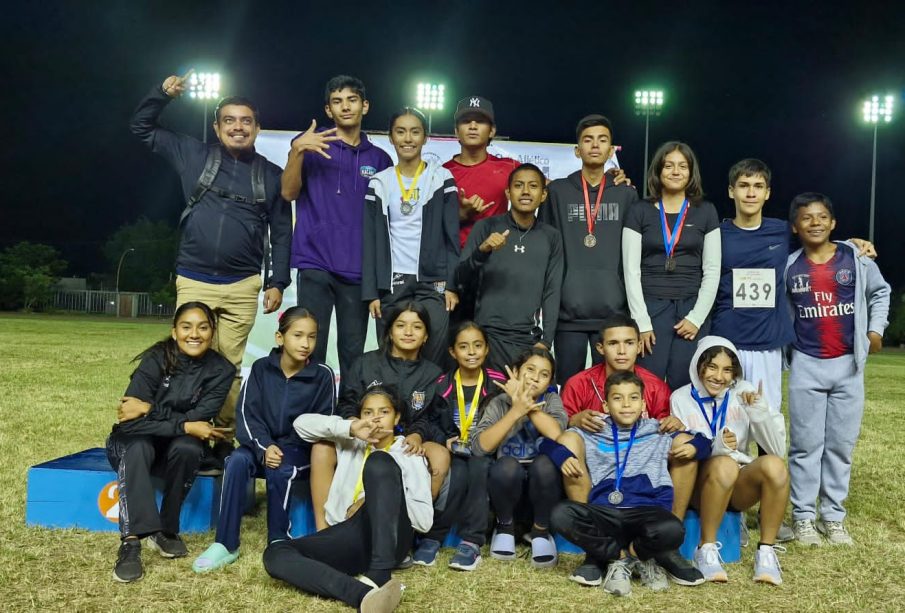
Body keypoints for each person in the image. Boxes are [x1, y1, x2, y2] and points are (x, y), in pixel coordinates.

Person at [130, 72, 291, 465]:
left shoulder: (270, 174)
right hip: (194, 280)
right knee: (187, 361)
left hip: (242, 285)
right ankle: (179, 432)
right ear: (217, 127)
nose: (238, 127)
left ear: (257, 128)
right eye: (230, 121)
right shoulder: (194, 154)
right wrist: (161, 93)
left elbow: (283, 231)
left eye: (246, 121)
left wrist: (278, 281)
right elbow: (141, 127)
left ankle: (219, 442)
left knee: (227, 369)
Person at [263, 385, 433, 612]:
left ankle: (380, 574)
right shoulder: (350, 442)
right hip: (350, 534)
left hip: (392, 539)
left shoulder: (410, 452)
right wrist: (350, 428)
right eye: (368, 413)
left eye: (384, 412)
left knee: (380, 462)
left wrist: (376, 500)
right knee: (275, 554)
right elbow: (301, 424)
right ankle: (362, 594)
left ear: (397, 416)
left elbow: (423, 521)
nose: (376, 420)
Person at [192, 307, 336, 572]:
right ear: (280, 338)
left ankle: (279, 541)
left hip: (299, 452)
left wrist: (282, 448)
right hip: (261, 446)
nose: (305, 344)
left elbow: (322, 424)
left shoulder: (322, 375)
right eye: (297, 335)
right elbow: (247, 415)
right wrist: (264, 446)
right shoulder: (261, 369)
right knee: (235, 460)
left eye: (312, 337)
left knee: (280, 468)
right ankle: (225, 544)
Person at [545, 371, 712, 596]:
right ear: (605, 405)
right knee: (560, 514)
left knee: (672, 529)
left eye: (633, 398)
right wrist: (561, 456)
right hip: (605, 511)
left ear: (643, 403)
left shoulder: (657, 429)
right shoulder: (594, 431)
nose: (626, 405)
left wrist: (694, 447)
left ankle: (629, 554)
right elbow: (545, 443)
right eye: (617, 398)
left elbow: (704, 441)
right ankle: (620, 557)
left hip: (646, 511)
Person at [784, 193, 890, 547]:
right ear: (795, 226)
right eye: (807, 218)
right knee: (805, 446)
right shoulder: (789, 266)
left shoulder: (856, 258)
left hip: (848, 365)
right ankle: (803, 518)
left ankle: (833, 517)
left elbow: (880, 293)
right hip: (806, 364)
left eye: (822, 217)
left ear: (833, 223)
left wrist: (875, 331)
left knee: (840, 446)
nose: (815, 223)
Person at [106, 301, 235, 583]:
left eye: (203, 327)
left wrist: (151, 410)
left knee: (189, 446)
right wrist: (184, 423)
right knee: (139, 445)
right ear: (174, 331)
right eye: (186, 327)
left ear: (212, 333)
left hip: (176, 448)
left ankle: (166, 529)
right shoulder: (156, 358)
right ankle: (130, 542)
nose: (194, 334)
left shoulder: (222, 370)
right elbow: (131, 417)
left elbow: (199, 421)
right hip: (133, 443)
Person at [281, 75, 393, 382]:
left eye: (352, 100)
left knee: (353, 351)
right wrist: (297, 152)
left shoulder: (381, 159)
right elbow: (289, 193)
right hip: (315, 262)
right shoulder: (311, 147)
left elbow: (386, 219)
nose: (345, 107)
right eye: (337, 101)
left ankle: (347, 417)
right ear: (328, 110)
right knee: (308, 346)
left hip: (358, 271)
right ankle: (308, 415)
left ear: (365, 106)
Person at [309, 302, 449, 531]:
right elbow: (346, 403)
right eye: (401, 325)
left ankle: (407, 532)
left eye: (417, 327)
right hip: (364, 437)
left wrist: (417, 434)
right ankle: (322, 530)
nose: (408, 332)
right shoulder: (366, 363)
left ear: (426, 336)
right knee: (321, 448)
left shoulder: (432, 373)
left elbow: (433, 417)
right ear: (390, 332)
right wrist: (354, 423)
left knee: (441, 455)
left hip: (407, 443)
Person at [670, 337, 790, 585]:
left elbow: (777, 449)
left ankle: (766, 552)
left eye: (727, 369)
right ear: (699, 365)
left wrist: (757, 413)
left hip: (736, 485)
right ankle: (706, 548)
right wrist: (719, 447)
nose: (719, 376)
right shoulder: (681, 397)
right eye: (712, 367)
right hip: (699, 487)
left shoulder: (745, 392)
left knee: (776, 467)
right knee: (724, 464)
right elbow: (685, 451)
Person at [538, 115, 640, 385]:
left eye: (602, 140)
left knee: (611, 388)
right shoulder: (557, 191)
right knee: (569, 385)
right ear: (577, 149)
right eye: (588, 139)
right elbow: (546, 249)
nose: (595, 145)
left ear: (611, 150)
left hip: (613, 312)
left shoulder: (626, 194)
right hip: (568, 312)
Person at [362, 107, 460, 366]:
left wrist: (451, 285)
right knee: (390, 355)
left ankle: (428, 405)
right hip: (392, 282)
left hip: (433, 280)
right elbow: (370, 242)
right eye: (401, 132)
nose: (408, 138)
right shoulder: (379, 182)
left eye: (415, 132)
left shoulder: (441, 178)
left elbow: (452, 236)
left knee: (435, 351)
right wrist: (372, 292)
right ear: (391, 137)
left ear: (425, 137)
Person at [622, 141, 720, 388]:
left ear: (691, 172)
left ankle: (684, 428)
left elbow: (712, 269)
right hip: (651, 309)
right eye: (669, 165)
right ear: (658, 171)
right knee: (648, 384)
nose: (675, 172)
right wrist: (642, 321)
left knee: (685, 384)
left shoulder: (706, 211)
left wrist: (697, 318)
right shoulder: (639, 210)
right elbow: (630, 271)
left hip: (691, 308)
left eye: (682, 166)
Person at [412, 321, 506, 571]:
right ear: (453, 352)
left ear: (487, 349)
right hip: (455, 450)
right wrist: (444, 439)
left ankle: (472, 541)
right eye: (464, 347)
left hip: (486, 451)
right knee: (458, 473)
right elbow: (428, 420)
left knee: (477, 467)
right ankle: (434, 535)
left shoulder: (499, 384)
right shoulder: (441, 384)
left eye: (478, 346)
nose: (472, 352)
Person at [457, 164, 564, 371]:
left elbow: (552, 290)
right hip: (487, 338)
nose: (525, 191)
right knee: (488, 403)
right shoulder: (486, 227)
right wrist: (483, 250)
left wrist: (546, 341)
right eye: (518, 185)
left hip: (528, 340)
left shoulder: (551, 236)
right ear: (508, 192)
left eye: (533, 186)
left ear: (543, 195)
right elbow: (460, 278)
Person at [470, 348, 567, 568]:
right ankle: (505, 527)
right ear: (515, 372)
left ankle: (541, 532)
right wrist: (515, 410)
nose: (535, 377)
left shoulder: (552, 400)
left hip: (543, 490)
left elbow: (557, 435)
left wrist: (526, 405)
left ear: (550, 381)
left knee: (545, 464)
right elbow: (480, 447)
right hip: (505, 488)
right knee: (506, 466)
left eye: (544, 374)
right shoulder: (499, 402)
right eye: (530, 370)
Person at [443, 96, 519, 249]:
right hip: (454, 261)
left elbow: (551, 188)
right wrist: (461, 215)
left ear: (492, 131)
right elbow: (429, 226)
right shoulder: (441, 173)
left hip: (495, 258)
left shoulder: (509, 167)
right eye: (466, 121)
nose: (472, 126)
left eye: (480, 121)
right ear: (456, 131)